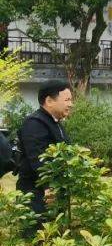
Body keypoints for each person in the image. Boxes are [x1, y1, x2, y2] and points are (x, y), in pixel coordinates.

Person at [17, 81, 74, 219]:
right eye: (67, 100)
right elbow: (38, 157)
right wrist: (48, 186)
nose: (70, 104)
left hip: (54, 191)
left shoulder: (53, 122)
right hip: (38, 193)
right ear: (49, 101)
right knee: (38, 236)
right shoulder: (35, 123)